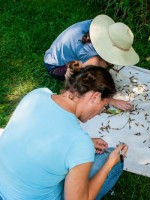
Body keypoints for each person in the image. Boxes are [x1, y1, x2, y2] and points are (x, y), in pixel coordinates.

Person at [0, 66, 128, 199]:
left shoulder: (38, 94)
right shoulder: (79, 143)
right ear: (95, 97)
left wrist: (87, 144)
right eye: (104, 106)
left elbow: (44, 132)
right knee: (110, 158)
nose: (100, 111)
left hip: (3, 190)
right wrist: (110, 163)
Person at [44, 14, 139, 111]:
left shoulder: (97, 28)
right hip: (55, 66)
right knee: (89, 80)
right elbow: (90, 82)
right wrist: (112, 101)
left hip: (66, 58)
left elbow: (77, 63)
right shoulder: (92, 57)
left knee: (96, 67)